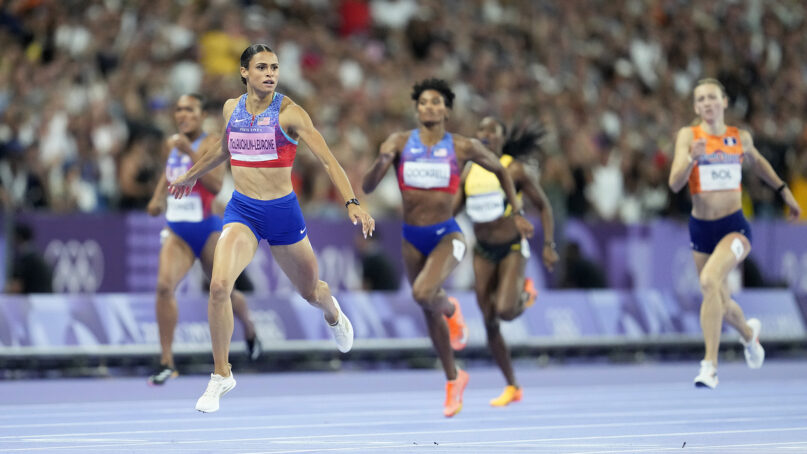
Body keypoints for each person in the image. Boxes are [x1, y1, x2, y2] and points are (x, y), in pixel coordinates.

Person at [168, 44, 375, 413]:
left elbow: (328, 160)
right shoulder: (232, 108)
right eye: (261, 67)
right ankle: (221, 375)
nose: (270, 73)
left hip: (282, 214)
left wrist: (352, 202)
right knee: (218, 287)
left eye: (275, 67)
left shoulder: (291, 114)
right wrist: (190, 175)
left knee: (311, 291)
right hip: (243, 210)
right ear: (244, 72)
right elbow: (223, 149)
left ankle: (333, 313)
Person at [362, 79, 533, 417]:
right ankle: (454, 379)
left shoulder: (461, 146)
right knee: (426, 307)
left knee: (424, 293)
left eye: (436, 102)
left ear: (447, 111)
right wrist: (381, 164)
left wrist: (518, 211)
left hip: (447, 236)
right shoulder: (397, 142)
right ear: (416, 109)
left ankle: (452, 309)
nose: (430, 107)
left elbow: (500, 168)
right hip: (411, 237)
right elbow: (368, 185)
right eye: (424, 102)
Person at [668, 78, 802, 389]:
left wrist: (783, 190)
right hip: (701, 229)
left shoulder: (739, 138)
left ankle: (709, 366)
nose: (707, 104)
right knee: (720, 300)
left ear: (725, 102)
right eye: (700, 99)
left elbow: (759, 164)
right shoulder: (688, 136)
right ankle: (748, 334)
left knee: (708, 282)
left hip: (735, 228)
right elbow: (675, 184)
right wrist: (692, 158)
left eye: (712, 97)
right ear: (695, 107)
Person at [145, 94, 261, 386]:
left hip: (207, 229)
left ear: (200, 115)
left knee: (223, 290)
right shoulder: (172, 144)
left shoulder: (211, 142)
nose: (183, 114)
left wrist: (189, 152)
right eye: (179, 109)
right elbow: (168, 172)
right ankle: (166, 361)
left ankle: (249, 326)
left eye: (189, 110)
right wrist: (158, 198)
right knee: (163, 287)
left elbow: (215, 184)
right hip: (178, 230)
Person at [454, 117, 558, 407]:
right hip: (483, 251)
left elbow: (544, 207)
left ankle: (526, 295)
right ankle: (512, 385)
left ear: (501, 137)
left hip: (512, 247)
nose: (486, 135)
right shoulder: (469, 171)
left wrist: (549, 245)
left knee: (505, 311)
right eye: (482, 130)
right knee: (488, 320)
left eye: (493, 130)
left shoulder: (515, 169)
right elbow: (451, 212)